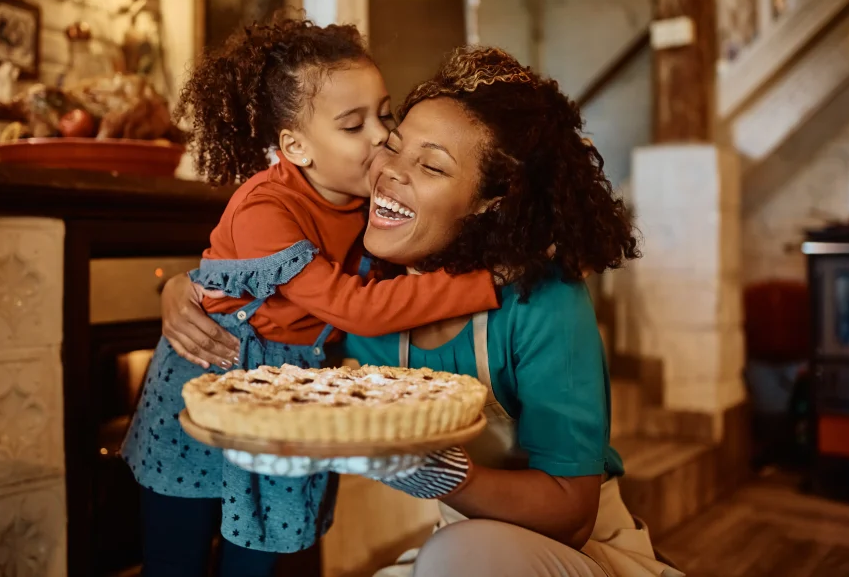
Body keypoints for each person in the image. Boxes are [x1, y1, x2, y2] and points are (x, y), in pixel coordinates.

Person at [162, 46, 683, 577]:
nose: (388, 170)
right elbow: (285, 304)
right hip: (457, 549)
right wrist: (189, 287)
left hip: (579, 554)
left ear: (490, 199)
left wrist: (443, 476)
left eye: (431, 165)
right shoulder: (368, 281)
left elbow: (571, 516)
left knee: (456, 557)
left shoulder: (540, 300)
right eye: (394, 145)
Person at [123, 18, 500, 577]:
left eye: (384, 114)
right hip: (205, 387)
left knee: (257, 562)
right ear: (295, 147)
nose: (380, 136)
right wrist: (488, 283)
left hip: (287, 401)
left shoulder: (371, 201)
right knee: (175, 557)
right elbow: (355, 307)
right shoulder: (264, 210)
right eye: (354, 125)